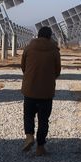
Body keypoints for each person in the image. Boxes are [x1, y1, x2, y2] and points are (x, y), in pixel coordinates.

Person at [20, 26, 62, 155]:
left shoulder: (28, 48)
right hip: (46, 91)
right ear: (50, 37)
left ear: (38, 36)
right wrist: (49, 79)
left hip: (30, 89)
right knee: (43, 120)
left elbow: (23, 67)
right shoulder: (54, 50)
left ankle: (29, 136)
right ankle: (40, 147)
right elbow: (57, 70)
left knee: (28, 115)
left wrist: (30, 77)